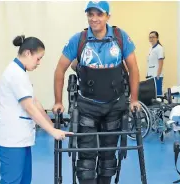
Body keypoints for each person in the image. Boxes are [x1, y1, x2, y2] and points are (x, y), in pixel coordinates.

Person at [53, 1, 140, 184]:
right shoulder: (79, 39)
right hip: (87, 107)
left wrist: (134, 99)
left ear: (108, 16)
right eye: (90, 14)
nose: (94, 19)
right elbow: (60, 70)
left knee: (108, 158)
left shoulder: (120, 37)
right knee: (86, 160)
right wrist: (58, 101)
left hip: (114, 106)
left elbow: (133, 68)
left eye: (99, 14)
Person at [0, 35, 73, 184]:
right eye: (38, 58)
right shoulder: (15, 74)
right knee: (12, 181)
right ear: (28, 53)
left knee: (24, 180)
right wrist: (52, 131)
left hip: (20, 139)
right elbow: (29, 107)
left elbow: (35, 102)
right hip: (11, 140)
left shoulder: (21, 73)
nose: (39, 63)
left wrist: (51, 125)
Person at [146, 31, 165, 96]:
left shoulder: (160, 48)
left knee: (158, 94)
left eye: (153, 37)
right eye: (150, 37)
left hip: (156, 76)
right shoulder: (150, 49)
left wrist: (158, 75)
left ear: (157, 38)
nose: (151, 39)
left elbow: (161, 62)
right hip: (150, 75)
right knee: (152, 94)